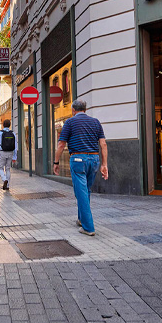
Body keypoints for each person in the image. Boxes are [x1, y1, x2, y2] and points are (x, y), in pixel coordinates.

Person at [54, 99, 108, 236]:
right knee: (85, 190)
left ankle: (88, 227)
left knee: (81, 192)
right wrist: (104, 164)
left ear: (73, 110)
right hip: (94, 159)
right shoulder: (95, 122)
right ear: (85, 109)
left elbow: (61, 144)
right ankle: (81, 219)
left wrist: (56, 162)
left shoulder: (70, 122)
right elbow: (103, 144)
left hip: (78, 159)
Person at [0, 119, 18, 190]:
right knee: (8, 169)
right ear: (9, 125)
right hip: (10, 153)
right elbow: (16, 146)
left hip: (2, 152)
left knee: (0, 168)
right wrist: (15, 157)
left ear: (3, 125)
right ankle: (7, 185)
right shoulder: (13, 133)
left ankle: (4, 180)